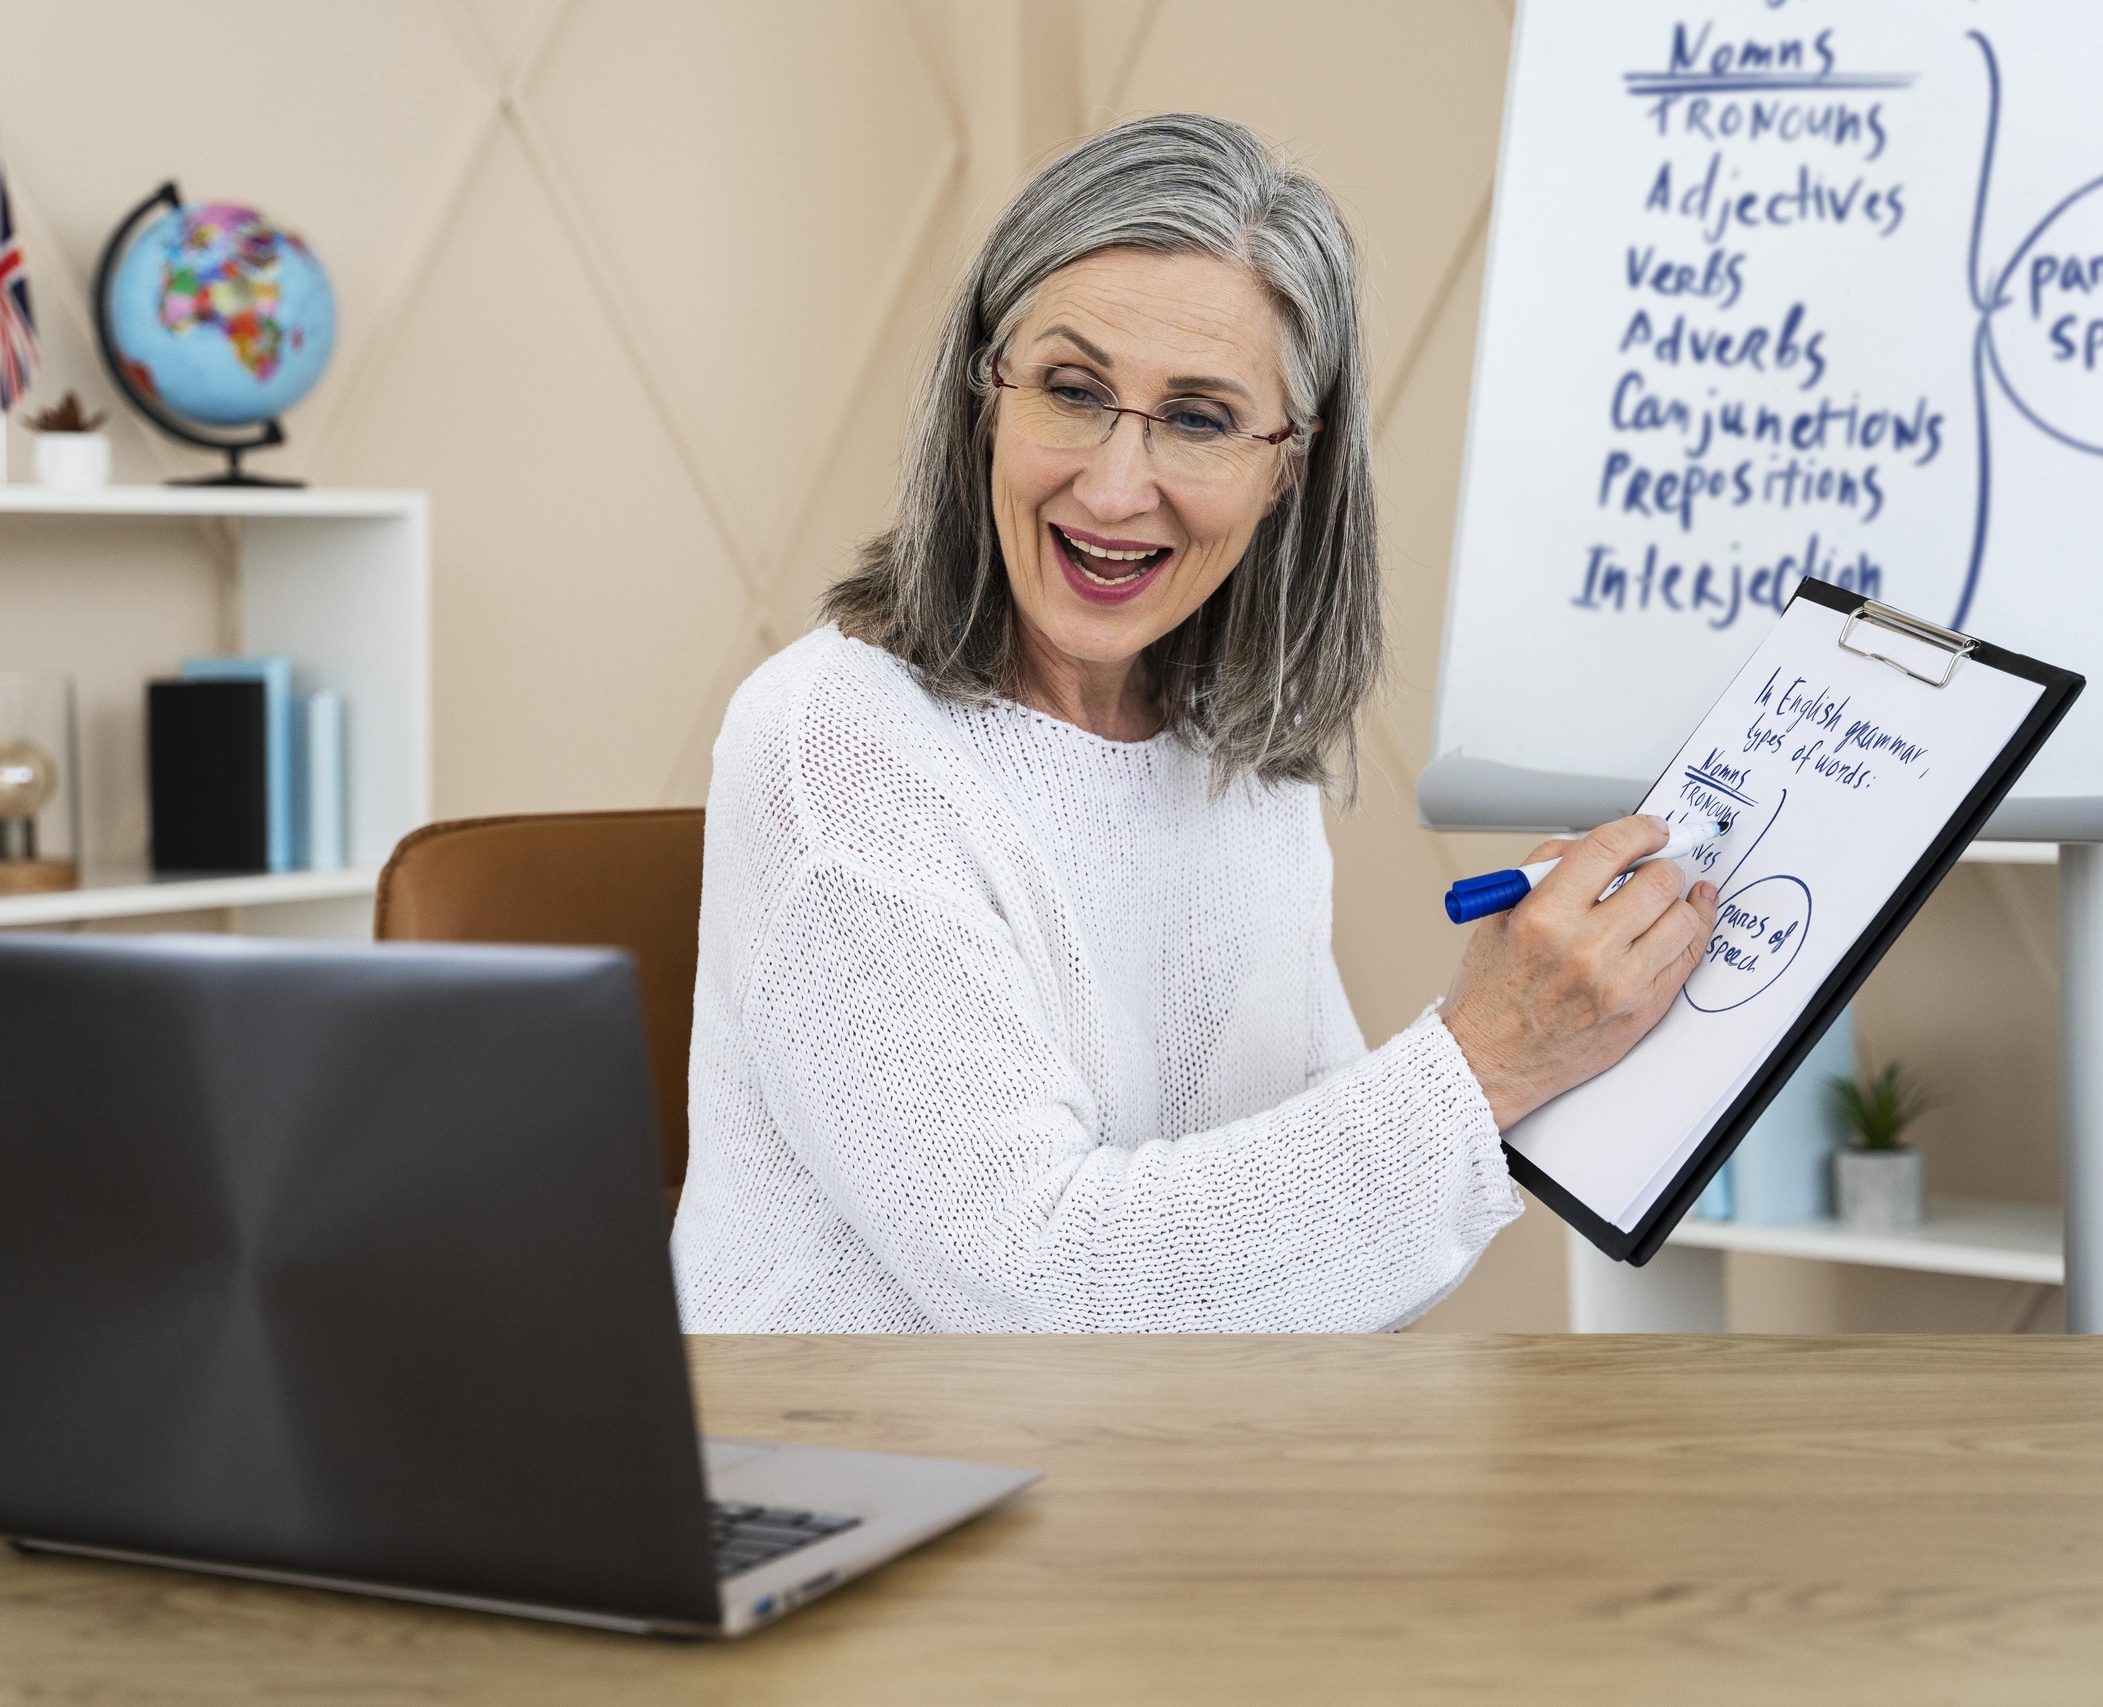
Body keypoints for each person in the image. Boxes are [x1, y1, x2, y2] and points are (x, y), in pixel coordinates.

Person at [671, 114, 1718, 1332]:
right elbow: (1038, 1289)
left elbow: (1298, 1243)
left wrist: (1533, 1024)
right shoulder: (834, 746)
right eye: (1071, 392)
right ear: (981, 405)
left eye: (1202, 418)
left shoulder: (1235, 756)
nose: (1116, 489)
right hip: (870, 1485)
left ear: (1289, 469)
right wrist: (1485, 1058)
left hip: (1155, 1472)